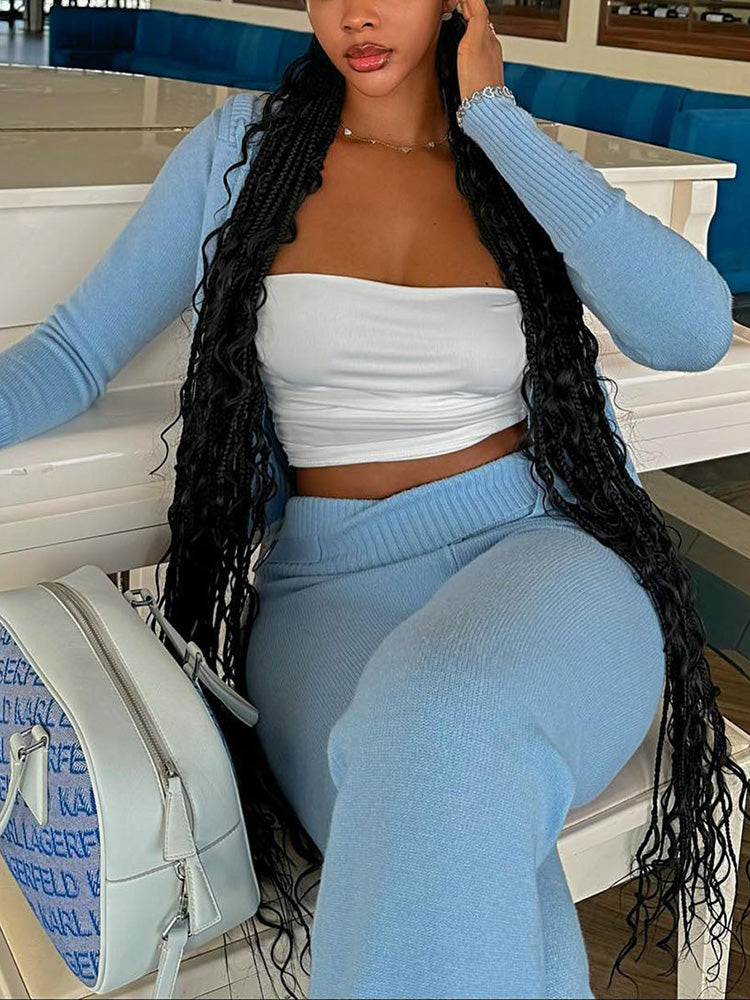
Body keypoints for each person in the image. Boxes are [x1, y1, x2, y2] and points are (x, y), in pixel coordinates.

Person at [0, 0, 746, 996]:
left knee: (447, 731)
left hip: (543, 563)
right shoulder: (241, 155)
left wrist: (496, 118)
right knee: (448, 805)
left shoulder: (510, 160)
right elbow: (73, 352)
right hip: (329, 598)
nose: (356, 14)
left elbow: (692, 331)